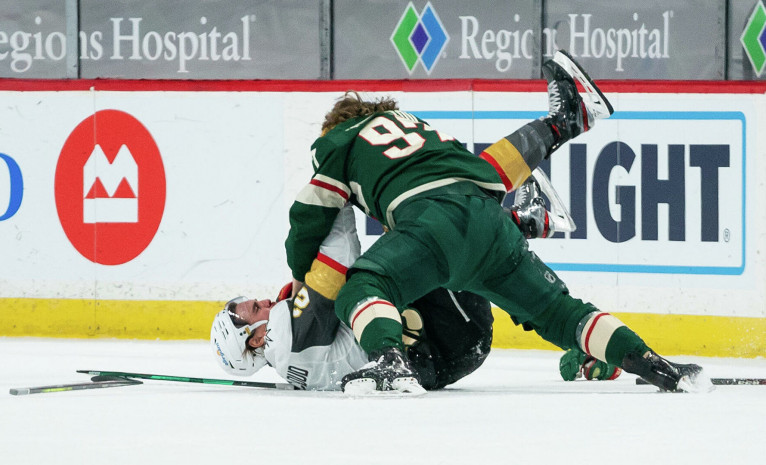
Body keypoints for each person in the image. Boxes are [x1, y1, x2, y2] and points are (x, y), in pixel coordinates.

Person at [284, 49, 708, 395]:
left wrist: (300, 275)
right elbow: (489, 175)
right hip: (489, 224)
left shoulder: (335, 141)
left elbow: (308, 215)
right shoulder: (420, 130)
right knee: (561, 314)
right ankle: (657, 365)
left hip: (434, 228)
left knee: (363, 286)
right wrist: (553, 132)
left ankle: (390, 364)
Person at [211, 174, 565, 392]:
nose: (264, 303)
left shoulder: (290, 362)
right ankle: (523, 224)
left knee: (417, 239)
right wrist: (337, 187)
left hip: (442, 353)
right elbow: (340, 255)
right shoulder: (282, 335)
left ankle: (524, 226)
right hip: (444, 334)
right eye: (255, 308)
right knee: (426, 222)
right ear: (255, 339)